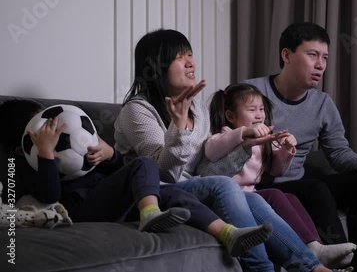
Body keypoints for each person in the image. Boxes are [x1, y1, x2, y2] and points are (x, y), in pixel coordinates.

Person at [114, 28, 352, 272]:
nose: (191, 63)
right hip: (152, 195)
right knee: (226, 186)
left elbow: (206, 170)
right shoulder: (137, 111)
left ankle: (313, 267)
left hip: (191, 188)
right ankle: (261, 268)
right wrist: (179, 127)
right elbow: (164, 174)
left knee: (253, 197)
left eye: (190, 55)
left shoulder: (197, 108)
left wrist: (246, 146)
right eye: (179, 57)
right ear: (156, 67)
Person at [0, 99, 273, 258]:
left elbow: (113, 175)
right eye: (45, 131)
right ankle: (150, 213)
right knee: (143, 163)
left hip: (109, 202)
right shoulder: (21, 165)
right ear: (23, 145)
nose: (56, 134)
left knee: (171, 192)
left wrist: (110, 155)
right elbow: (49, 196)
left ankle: (228, 233)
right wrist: (46, 154)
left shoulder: (79, 144)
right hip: (80, 210)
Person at [243, 22, 357, 272]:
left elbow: (339, 154)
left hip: (298, 186)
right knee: (316, 186)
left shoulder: (322, 104)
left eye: (325, 57)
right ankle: (343, 266)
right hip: (261, 186)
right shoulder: (250, 94)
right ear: (286, 55)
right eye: (312, 55)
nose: (320, 65)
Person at [197, 83, 357, 269]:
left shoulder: (265, 140)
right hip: (232, 197)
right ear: (231, 116)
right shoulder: (226, 134)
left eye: (261, 109)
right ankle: (313, 251)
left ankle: (314, 245)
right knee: (274, 194)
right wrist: (244, 133)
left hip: (251, 193)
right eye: (252, 110)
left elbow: (276, 170)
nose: (259, 115)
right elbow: (211, 149)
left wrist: (288, 150)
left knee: (289, 197)